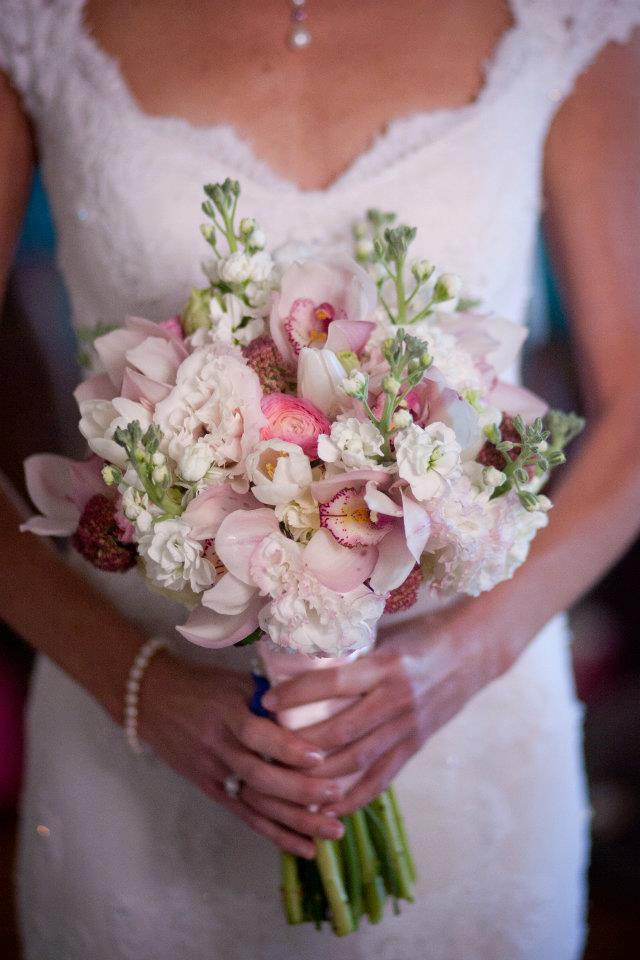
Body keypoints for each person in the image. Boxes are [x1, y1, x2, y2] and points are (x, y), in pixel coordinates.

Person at [1, 1, 639, 957]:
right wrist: (142, 689)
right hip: (133, 730)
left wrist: (457, 662)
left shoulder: (568, 17)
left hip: (468, 720)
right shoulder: (36, 21)